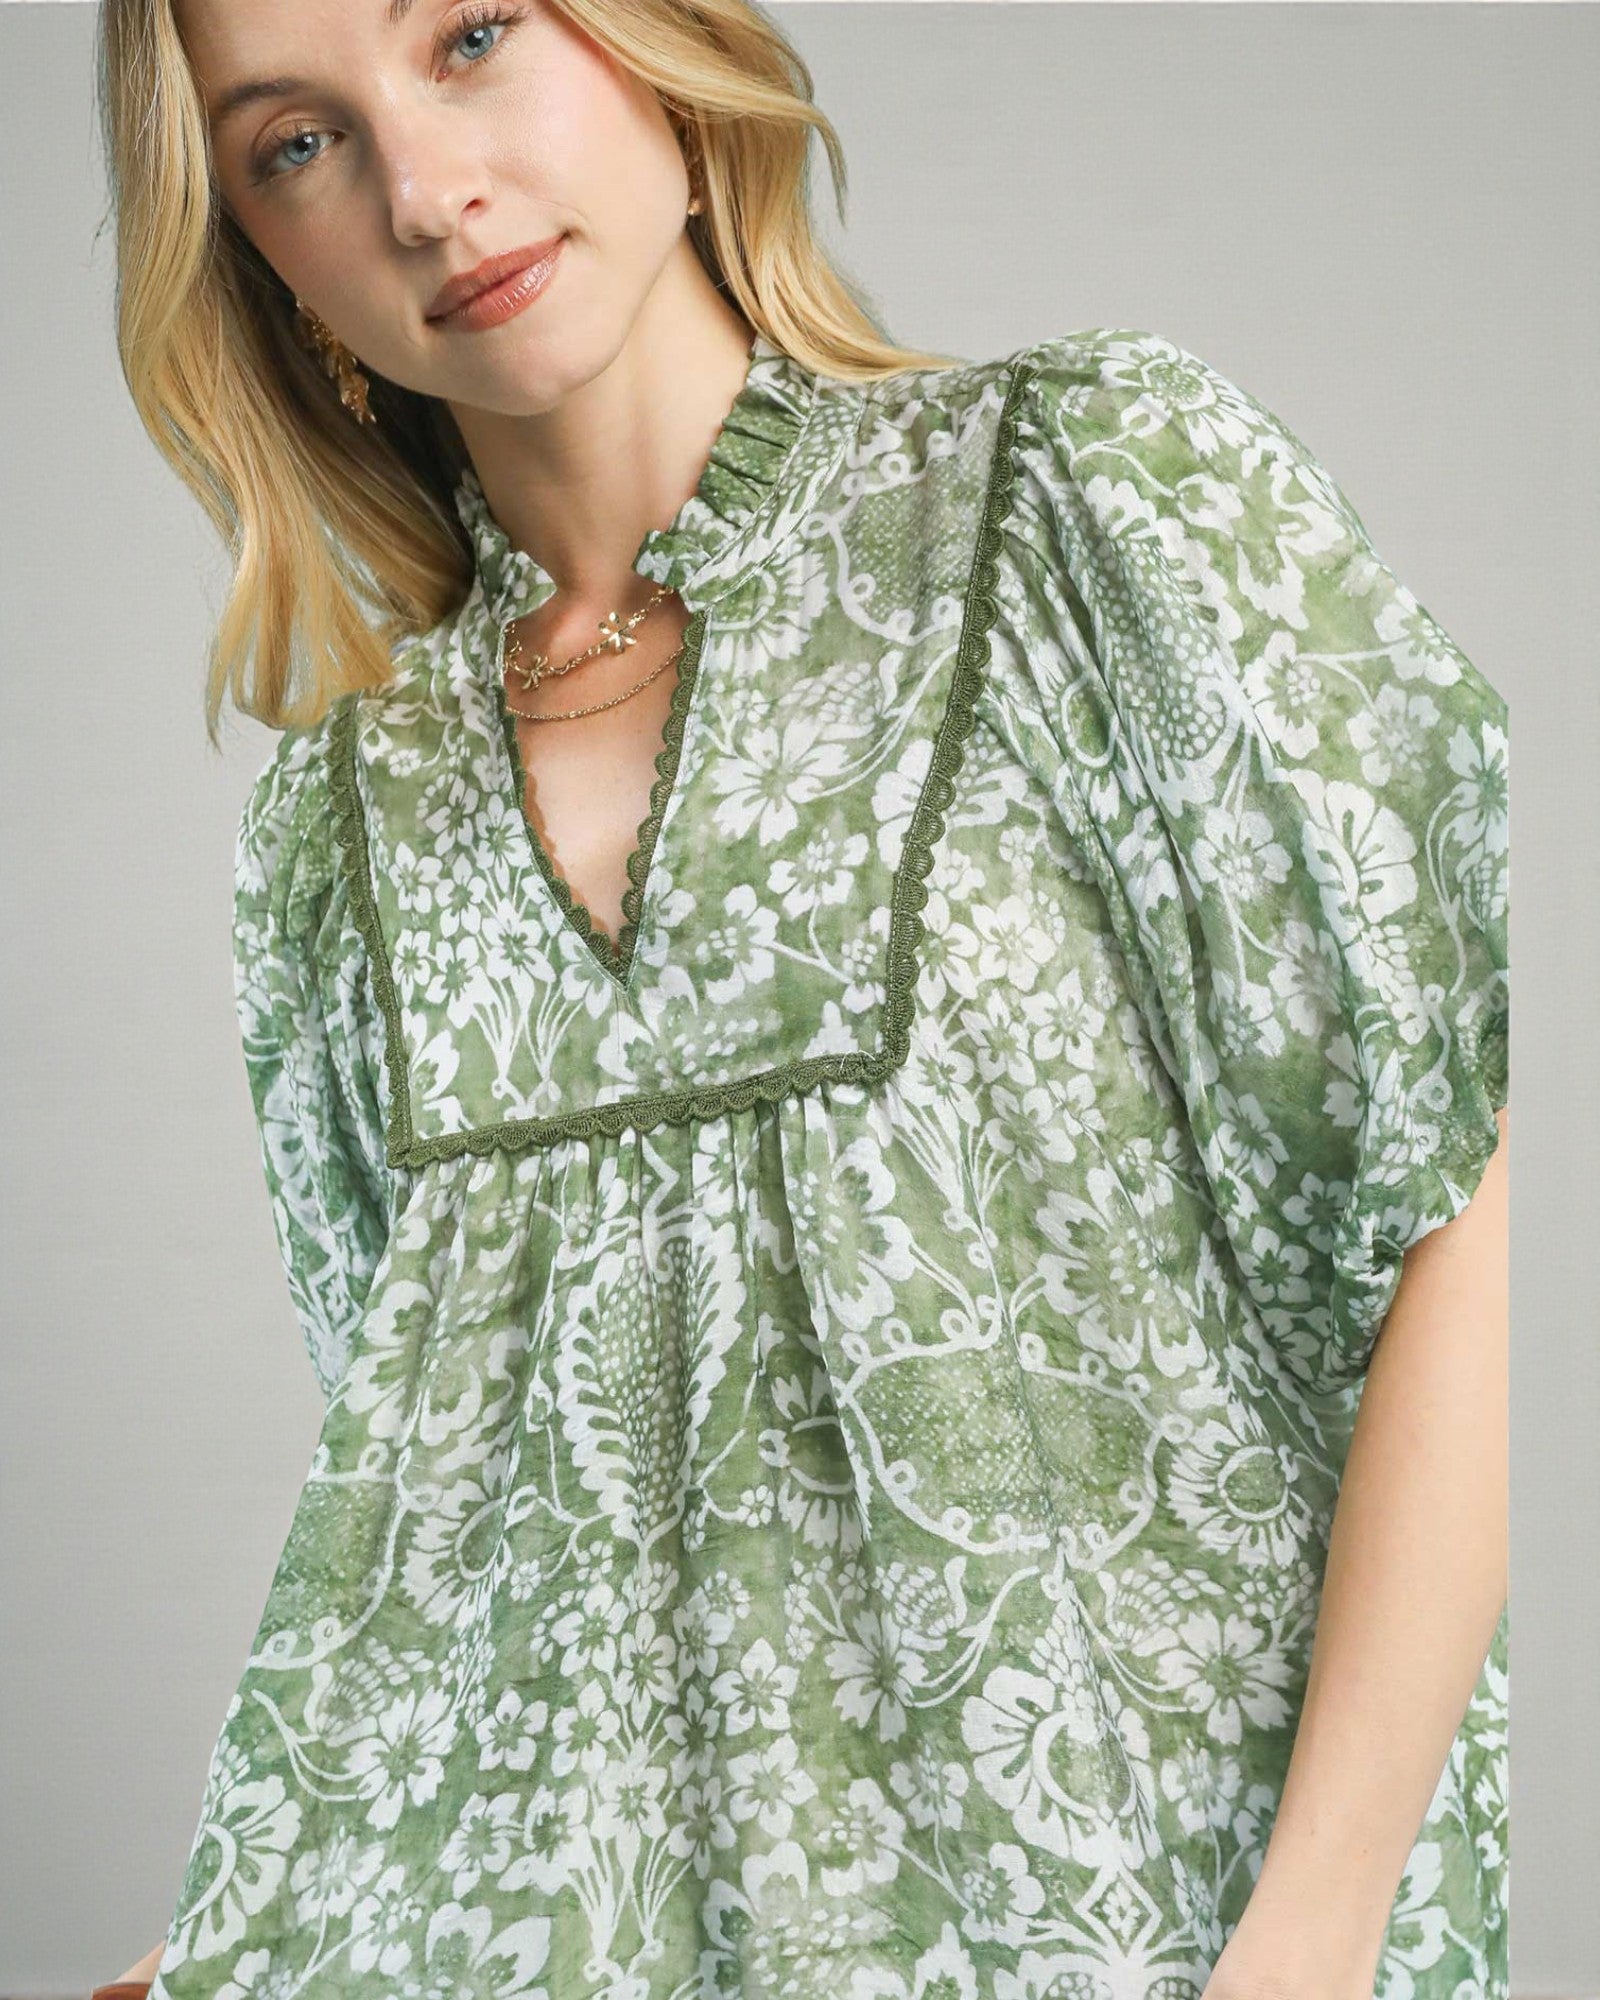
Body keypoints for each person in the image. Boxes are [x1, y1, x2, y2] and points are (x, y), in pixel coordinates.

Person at [91, 0, 1510, 1994]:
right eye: (293, 145)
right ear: (258, 257)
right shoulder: (340, 823)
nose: (423, 188)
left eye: (472, 35)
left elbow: (1453, 1210)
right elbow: (459, 1574)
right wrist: (266, 1932)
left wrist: (1318, 1921)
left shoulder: (1084, 502)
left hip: (1177, 1930)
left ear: (658, 49)